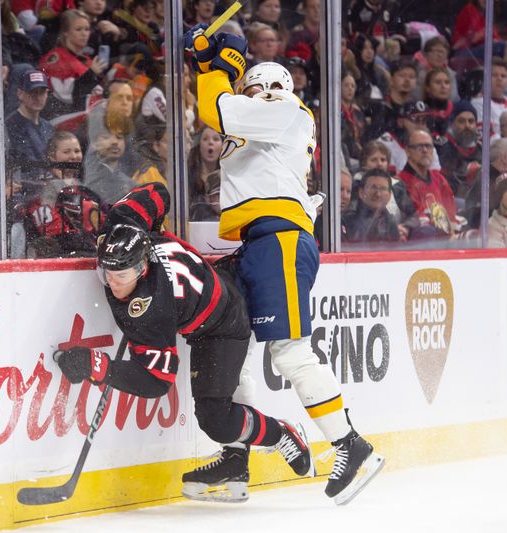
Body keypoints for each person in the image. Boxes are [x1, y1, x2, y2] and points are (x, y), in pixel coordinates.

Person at [187, 21, 384, 503]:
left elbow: (220, 111)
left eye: (260, 84)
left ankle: (349, 444)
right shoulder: (258, 124)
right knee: (232, 347)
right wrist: (214, 65)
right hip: (256, 245)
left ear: (278, 89)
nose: (259, 90)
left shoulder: (287, 110)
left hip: (279, 241)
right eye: (252, 84)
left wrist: (217, 66)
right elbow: (222, 114)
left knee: (290, 352)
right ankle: (235, 461)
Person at [55, 183, 313, 503]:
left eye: (122, 275)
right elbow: (158, 191)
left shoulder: (152, 306)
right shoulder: (123, 223)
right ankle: (235, 464)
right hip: (210, 284)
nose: (112, 282)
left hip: (223, 323)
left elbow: (156, 380)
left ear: (142, 267)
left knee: (215, 420)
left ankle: (281, 434)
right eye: (108, 272)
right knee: (220, 408)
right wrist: (155, 221)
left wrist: (98, 365)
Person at [38, 9, 107, 118]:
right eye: (78, 29)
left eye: (87, 29)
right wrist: (91, 74)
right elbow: (67, 96)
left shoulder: (87, 60)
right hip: (64, 118)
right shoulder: (55, 58)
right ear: (65, 32)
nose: (84, 34)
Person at [397, 129, 460, 237]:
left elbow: (450, 210)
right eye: (419, 147)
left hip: (445, 235)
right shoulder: (400, 182)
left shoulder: (439, 178)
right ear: (407, 151)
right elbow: (415, 219)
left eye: (428, 146)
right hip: (421, 240)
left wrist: (452, 230)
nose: (425, 150)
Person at [6, 69, 55, 176]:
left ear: (47, 94)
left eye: (41, 92)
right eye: (32, 92)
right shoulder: (10, 125)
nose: (37, 97)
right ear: (20, 94)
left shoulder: (49, 127)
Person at [343, 168, 402, 245]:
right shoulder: (347, 221)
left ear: (390, 195)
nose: (378, 194)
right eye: (373, 188)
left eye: (383, 189)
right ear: (361, 193)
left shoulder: (391, 224)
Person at [438, 100, 482, 198]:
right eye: (461, 121)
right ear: (452, 124)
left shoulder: (483, 151)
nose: (467, 126)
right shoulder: (441, 151)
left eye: (471, 121)